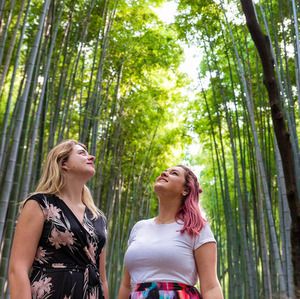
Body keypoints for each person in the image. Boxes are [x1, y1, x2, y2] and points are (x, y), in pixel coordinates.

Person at [9, 139, 109, 299]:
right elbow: (18, 268)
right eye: (82, 153)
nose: (92, 157)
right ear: (64, 163)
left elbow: (102, 279)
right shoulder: (41, 204)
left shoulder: (98, 218)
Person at [118, 165, 223, 299]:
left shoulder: (196, 227)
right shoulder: (139, 228)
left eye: (173, 173)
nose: (164, 173)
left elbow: (211, 287)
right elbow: (126, 285)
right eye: (164, 171)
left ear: (185, 190)